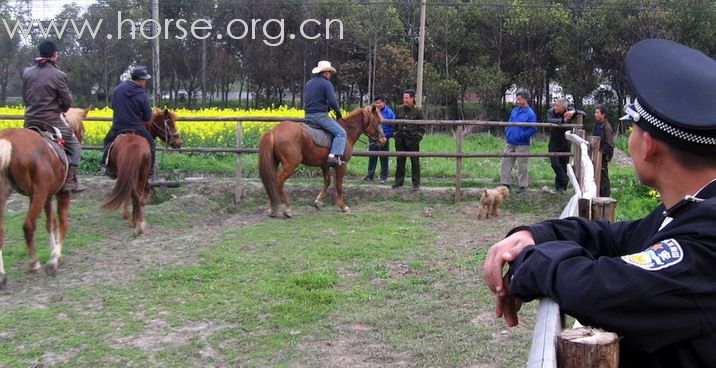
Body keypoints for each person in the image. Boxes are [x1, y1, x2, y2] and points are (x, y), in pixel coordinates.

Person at [483, 39, 716, 367]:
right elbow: (615, 237)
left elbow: (605, 289)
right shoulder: (693, 208)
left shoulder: (707, 231)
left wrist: (530, 261)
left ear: (647, 145)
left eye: (632, 127)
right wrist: (535, 235)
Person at [22, 40, 83, 192]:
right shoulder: (59, 75)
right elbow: (67, 100)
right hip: (51, 121)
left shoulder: (27, 72)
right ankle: (69, 180)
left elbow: (25, 96)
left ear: (40, 53)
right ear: (55, 55)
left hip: (29, 120)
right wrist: (62, 108)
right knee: (75, 146)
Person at [101, 65, 154, 177]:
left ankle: (106, 165)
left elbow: (113, 106)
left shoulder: (118, 89)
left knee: (107, 141)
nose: (145, 82)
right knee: (151, 144)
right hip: (136, 127)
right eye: (144, 79)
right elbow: (147, 117)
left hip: (118, 126)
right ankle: (150, 169)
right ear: (140, 80)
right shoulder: (142, 94)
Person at [303, 61, 345, 167]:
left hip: (308, 116)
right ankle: (333, 156)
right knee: (341, 133)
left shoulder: (309, 83)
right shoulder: (326, 83)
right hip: (320, 116)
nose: (330, 74)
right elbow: (332, 101)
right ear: (326, 72)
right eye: (330, 72)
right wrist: (338, 112)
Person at [499, 91, 537, 193]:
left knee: (522, 164)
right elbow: (510, 122)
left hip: (522, 143)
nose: (517, 101)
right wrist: (507, 131)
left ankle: (522, 185)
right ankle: (505, 183)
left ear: (525, 99)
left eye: (519, 99)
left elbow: (533, 129)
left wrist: (522, 136)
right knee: (505, 162)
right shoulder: (514, 110)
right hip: (510, 141)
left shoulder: (530, 113)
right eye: (517, 99)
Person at [392, 89, 425, 190]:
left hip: (412, 140)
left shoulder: (418, 111)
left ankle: (416, 183)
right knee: (400, 161)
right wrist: (395, 134)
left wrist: (418, 137)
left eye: (407, 98)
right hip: (400, 140)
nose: (405, 100)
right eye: (404, 98)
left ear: (412, 98)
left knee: (414, 161)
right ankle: (399, 182)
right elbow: (395, 124)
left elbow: (422, 127)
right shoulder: (399, 109)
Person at [546, 98, 575, 193]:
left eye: (558, 105)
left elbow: (584, 114)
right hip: (554, 142)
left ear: (564, 107)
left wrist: (574, 112)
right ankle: (565, 178)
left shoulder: (570, 110)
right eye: (555, 105)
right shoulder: (551, 111)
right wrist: (563, 120)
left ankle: (561, 188)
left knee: (563, 165)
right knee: (555, 164)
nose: (555, 107)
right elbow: (549, 120)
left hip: (565, 142)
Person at [364, 96, 395, 183]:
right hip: (373, 137)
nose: (378, 104)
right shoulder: (372, 112)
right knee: (372, 156)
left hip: (384, 137)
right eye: (376, 103)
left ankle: (383, 177)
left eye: (379, 102)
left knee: (384, 157)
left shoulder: (389, 113)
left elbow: (393, 126)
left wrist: (387, 135)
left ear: (383, 102)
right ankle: (370, 175)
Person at [593, 105, 614, 197]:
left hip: (602, 156)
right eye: (595, 112)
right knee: (597, 175)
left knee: (603, 177)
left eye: (597, 112)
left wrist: (600, 153)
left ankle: (605, 196)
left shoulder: (606, 127)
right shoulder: (597, 125)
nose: (595, 114)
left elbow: (609, 144)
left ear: (603, 114)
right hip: (596, 155)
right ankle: (599, 194)